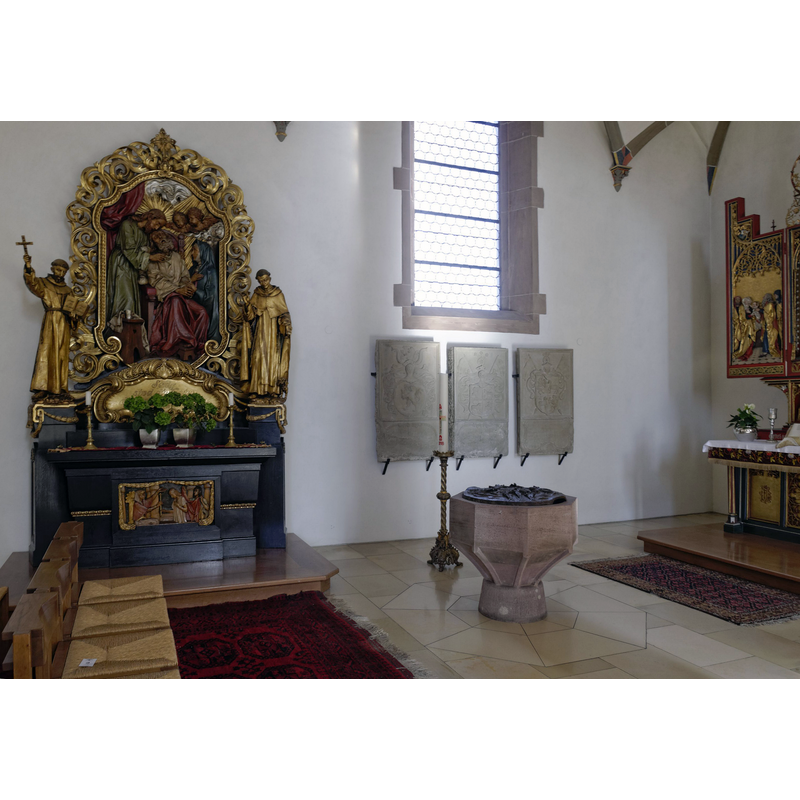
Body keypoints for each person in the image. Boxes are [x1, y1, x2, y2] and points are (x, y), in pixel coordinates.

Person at [23, 254, 84, 399]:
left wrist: (75, 315)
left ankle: (61, 388)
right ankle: (43, 387)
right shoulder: (44, 283)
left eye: (63, 271)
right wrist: (28, 266)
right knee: (46, 351)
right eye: (57, 270)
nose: (60, 273)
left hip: (64, 323)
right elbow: (32, 283)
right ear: (52, 269)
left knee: (61, 354)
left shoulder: (68, 290)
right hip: (51, 320)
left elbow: (73, 308)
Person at [146, 230, 209, 359]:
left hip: (182, 296)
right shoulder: (152, 260)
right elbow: (157, 281)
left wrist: (186, 287)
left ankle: (195, 345)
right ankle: (175, 340)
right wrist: (176, 290)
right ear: (154, 243)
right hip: (166, 299)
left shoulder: (177, 257)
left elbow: (184, 277)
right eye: (157, 237)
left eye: (162, 235)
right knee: (175, 301)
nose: (161, 237)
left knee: (202, 312)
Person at [106, 209, 168, 335]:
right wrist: (149, 257)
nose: (156, 228)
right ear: (150, 217)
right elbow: (128, 249)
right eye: (157, 223)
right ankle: (119, 333)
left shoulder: (145, 233)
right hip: (121, 265)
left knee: (133, 301)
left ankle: (131, 334)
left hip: (134, 268)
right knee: (125, 298)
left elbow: (144, 251)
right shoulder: (127, 225)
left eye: (159, 227)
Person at [240, 269, 291, 400]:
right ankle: (255, 389)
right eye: (261, 281)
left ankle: (273, 389)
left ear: (270, 278)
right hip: (260, 332)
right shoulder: (257, 294)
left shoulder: (278, 294)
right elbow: (249, 316)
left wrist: (285, 322)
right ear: (258, 281)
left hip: (273, 333)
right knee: (257, 357)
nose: (264, 283)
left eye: (266, 279)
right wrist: (247, 304)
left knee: (273, 359)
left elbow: (284, 312)